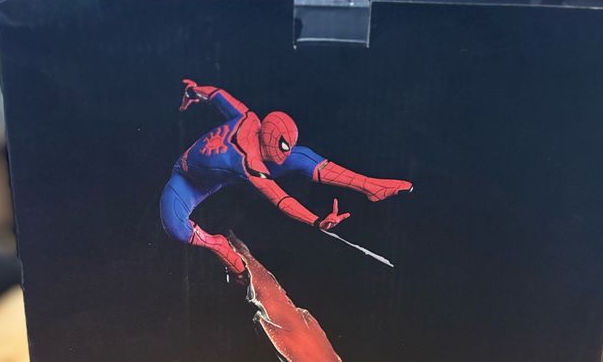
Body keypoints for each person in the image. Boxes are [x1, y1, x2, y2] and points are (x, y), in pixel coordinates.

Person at [160, 79, 413, 276]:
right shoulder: (250, 164)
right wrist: (316, 221)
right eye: (283, 148)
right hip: (188, 180)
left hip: (226, 172)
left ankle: (371, 186)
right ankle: (218, 246)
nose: (286, 153)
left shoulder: (248, 117)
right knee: (177, 228)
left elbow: (217, 94)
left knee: (300, 156)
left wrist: (193, 92)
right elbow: (282, 200)